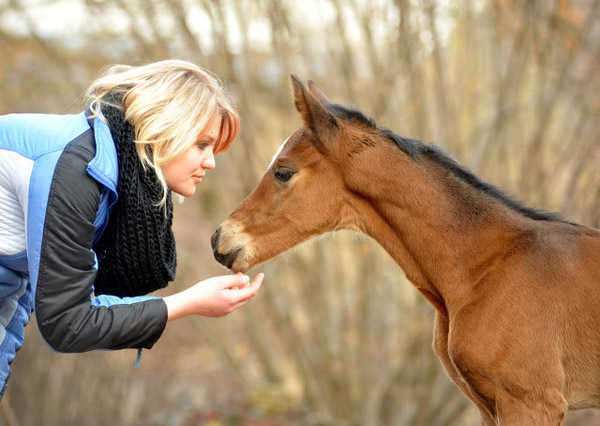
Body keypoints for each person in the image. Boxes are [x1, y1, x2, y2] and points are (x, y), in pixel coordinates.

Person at [0, 59, 263, 398]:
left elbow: (16, 292)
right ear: (164, 128)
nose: (211, 161)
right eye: (202, 144)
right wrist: (188, 303)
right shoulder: (76, 171)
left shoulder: (111, 177)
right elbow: (66, 323)